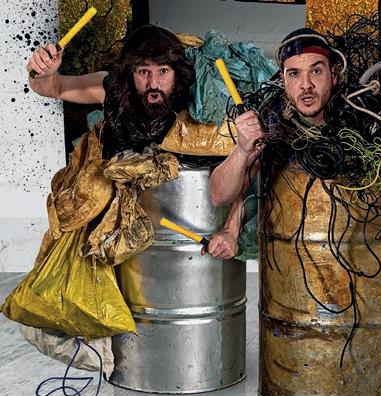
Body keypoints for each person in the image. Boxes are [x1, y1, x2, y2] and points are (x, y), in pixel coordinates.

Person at [210, 28, 381, 260]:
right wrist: (242, 152)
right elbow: (220, 195)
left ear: (334, 73)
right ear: (282, 79)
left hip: (368, 254)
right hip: (291, 254)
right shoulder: (272, 118)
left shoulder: (369, 114)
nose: (305, 85)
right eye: (294, 74)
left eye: (316, 71)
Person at [26, 24, 240, 259]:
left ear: (177, 73)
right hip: (121, 241)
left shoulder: (202, 108)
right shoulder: (112, 91)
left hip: (192, 235)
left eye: (163, 71)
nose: (154, 84)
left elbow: (247, 161)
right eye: (143, 72)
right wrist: (41, 73)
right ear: (130, 73)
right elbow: (54, 87)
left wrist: (231, 229)